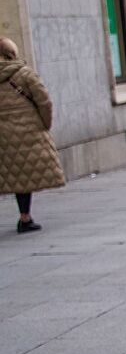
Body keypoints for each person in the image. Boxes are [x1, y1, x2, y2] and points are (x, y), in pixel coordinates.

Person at [0, 37, 63, 233]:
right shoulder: (25, 74)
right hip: (27, 133)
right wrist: (45, 125)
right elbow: (45, 102)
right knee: (22, 175)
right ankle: (25, 218)